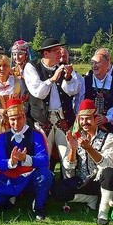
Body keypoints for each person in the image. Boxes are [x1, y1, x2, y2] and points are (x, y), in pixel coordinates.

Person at [0, 99, 51, 219]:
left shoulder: (36, 135)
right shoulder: (2, 137)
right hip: (10, 177)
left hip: (30, 176)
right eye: (12, 119)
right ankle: (7, 201)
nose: (16, 122)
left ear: (24, 117)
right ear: (8, 120)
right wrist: (11, 162)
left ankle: (38, 207)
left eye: (19, 118)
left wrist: (26, 158)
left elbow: (44, 159)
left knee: (45, 175)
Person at [52, 99, 113, 225]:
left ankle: (103, 212)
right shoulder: (76, 136)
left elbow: (107, 164)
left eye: (88, 118)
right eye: (81, 119)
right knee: (57, 191)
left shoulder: (109, 137)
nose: (84, 122)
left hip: (101, 181)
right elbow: (68, 166)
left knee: (111, 173)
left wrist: (89, 149)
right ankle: (91, 199)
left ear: (96, 119)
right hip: (83, 181)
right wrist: (72, 149)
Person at [24, 38, 80, 172]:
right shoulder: (32, 67)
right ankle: (42, 190)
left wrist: (68, 77)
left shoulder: (62, 67)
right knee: (43, 160)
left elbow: (74, 90)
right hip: (42, 120)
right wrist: (52, 79)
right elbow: (38, 92)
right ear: (45, 54)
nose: (60, 53)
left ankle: (68, 189)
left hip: (63, 119)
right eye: (55, 50)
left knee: (68, 158)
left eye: (59, 50)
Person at [81, 48, 113, 171]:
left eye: (97, 63)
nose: (94, 66)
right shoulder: (86, 80)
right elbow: (79, 102)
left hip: (111, 125)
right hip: (88, 126)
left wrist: (107, 118)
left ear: (107, 64)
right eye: (92, 63)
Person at [0, 55, 27, 140]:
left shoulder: (18, 82)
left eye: (5, 65)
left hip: (17, 121)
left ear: (9, 67)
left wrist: (15, 111)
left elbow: (26, 102)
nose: (2, 68)